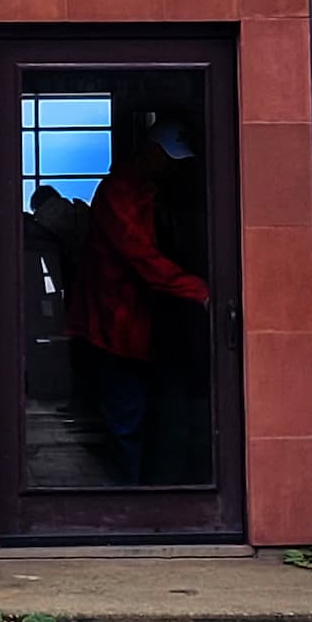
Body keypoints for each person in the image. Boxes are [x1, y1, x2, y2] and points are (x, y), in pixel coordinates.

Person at [66, 122, 209, 484]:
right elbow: (140, 255)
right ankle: (128, 495)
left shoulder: (149, 191)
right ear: (150, 153)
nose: (172, 166)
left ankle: (146, 487)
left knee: (148, 412)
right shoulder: (120, 193)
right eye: (166, 158)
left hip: (144, 323)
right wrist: (197, 290)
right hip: (114, 321)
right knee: (126, 414)